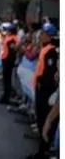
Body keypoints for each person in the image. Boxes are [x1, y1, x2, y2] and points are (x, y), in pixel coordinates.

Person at [28, 23, 59, 159]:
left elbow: (50, 74)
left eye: (43, 33)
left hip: (46, 91)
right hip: (41, 88)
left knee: (45, 121)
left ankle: (43, 152)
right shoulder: (45, 48)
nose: (40, 35)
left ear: (49, 35)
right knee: (41, 120)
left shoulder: (52, 51)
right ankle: (41, 150)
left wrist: (42, 83)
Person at [0, 22, 20, 104]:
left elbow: (12, 51)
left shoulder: (13, 39)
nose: (6, 31)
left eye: (8, 30)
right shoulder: (9, 37)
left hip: (8, 61)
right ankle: (5, 96)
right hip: (5, 60)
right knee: (6, 80)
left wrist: (10, 61)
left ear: (11, 31)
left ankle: (6, 97)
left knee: (7, 80)